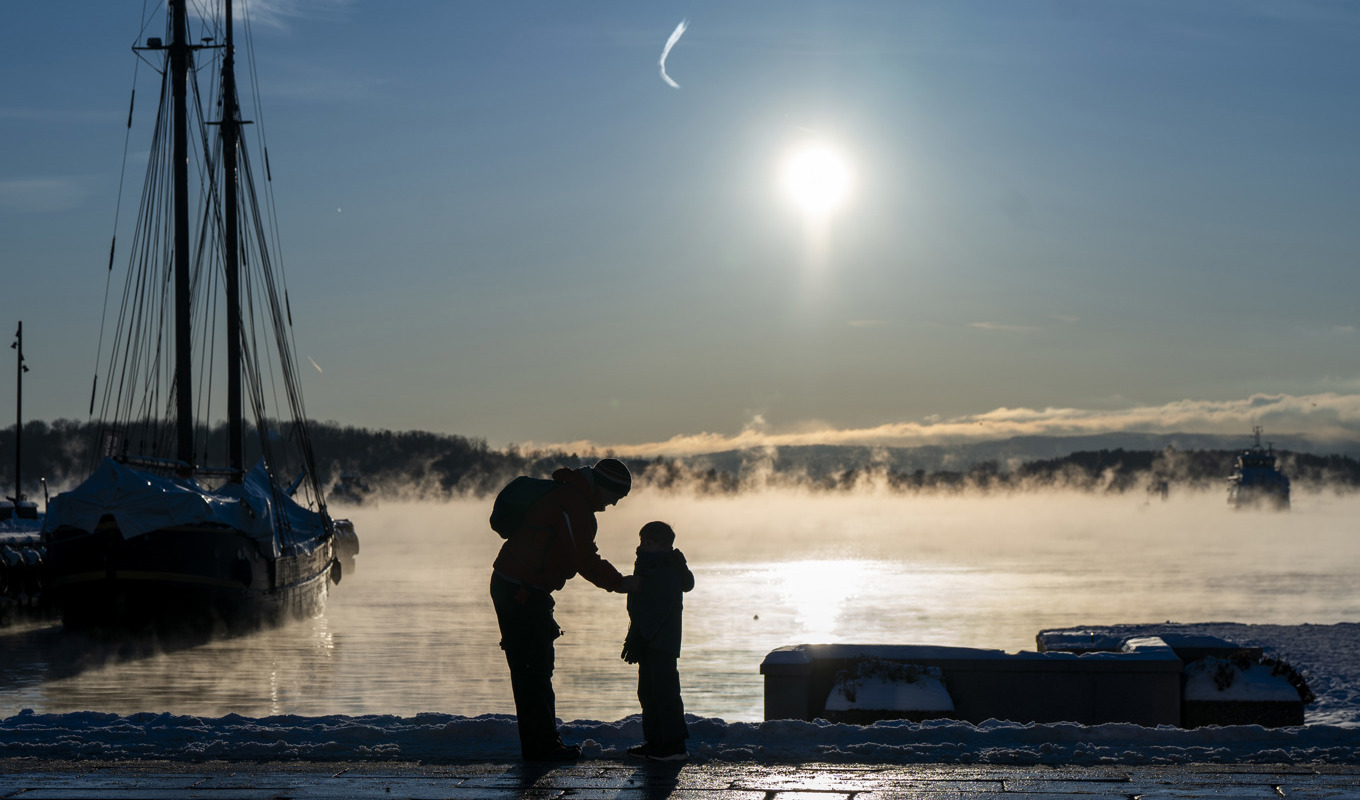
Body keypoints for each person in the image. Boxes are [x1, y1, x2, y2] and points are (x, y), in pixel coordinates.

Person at [489, 457, 638, 762]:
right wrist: (619, 583)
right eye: (616, 497)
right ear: (605, 487)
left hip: (523, 587)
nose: (613, 505)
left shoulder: (572, 496)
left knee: (534, 669)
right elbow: (583, 556)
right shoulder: (572, 503)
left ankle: (541, 744)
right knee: (533, 670)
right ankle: (542, 748)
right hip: (520, 590)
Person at [620, 520, 695, 761]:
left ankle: (674, 745)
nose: (642, 546)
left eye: (649, 542)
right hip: (648, 639)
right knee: (648, 692)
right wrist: (635, 636)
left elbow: (660, 610)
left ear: (664, 546)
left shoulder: (665, 569)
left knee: (665, 693)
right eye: (642, 540)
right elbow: (640, 608)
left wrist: (641, 637)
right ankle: (655, 741)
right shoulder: (647, 565)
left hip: (661, 642)